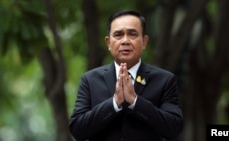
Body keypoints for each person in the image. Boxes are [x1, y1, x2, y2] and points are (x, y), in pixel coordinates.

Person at [69, 10, 183, 141]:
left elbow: (174, 127)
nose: (125, 41)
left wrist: (135, 101)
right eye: (118, 35)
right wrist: (114, 102)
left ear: (144, 41)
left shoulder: (164, 80)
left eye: (132, 34)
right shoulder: (90, 80)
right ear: (108, 43)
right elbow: (77, 129)